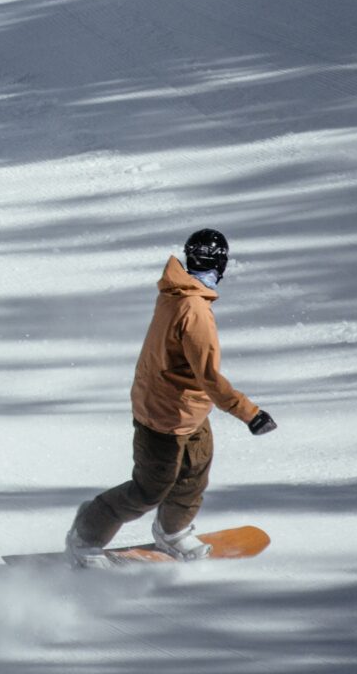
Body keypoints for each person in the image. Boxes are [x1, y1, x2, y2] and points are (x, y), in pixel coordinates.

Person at [65, 229, 277, 566]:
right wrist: (251, 414)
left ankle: (172, 531)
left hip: (187, 408)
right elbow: (209, 377)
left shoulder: (177, 291)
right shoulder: (195, 309)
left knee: (194, 474)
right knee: (150, 488)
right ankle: (86, 533)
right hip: (164, 414)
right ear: (222, 266)